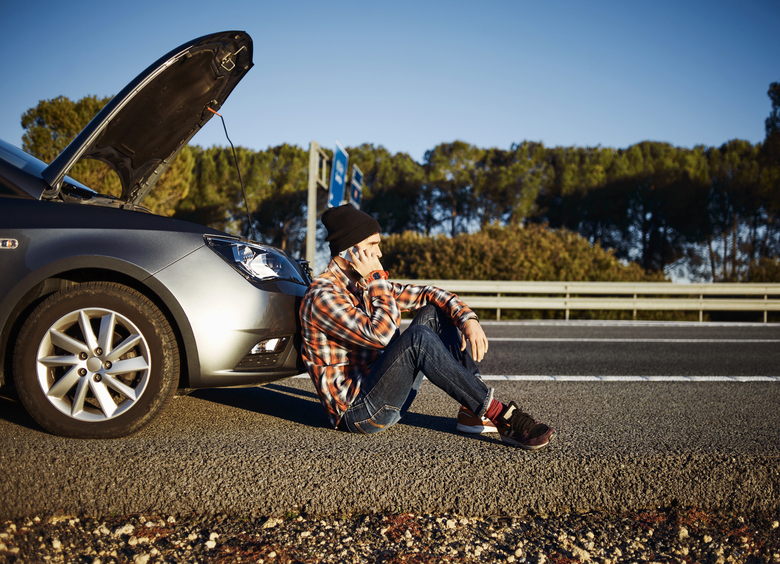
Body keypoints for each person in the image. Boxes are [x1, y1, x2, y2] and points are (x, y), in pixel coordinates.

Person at [299, 204, 555, 450]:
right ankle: (501, 415)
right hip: (359, 413)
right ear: (351, 252)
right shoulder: (323, 295)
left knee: (433, 312)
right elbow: (381, 336)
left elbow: (428, 293)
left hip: (383, 391)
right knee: (417, 338)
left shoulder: (363, 285)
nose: (379, 254)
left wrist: (468, 318)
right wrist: (377, 280)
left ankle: (473, 411)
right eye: (373, 245)